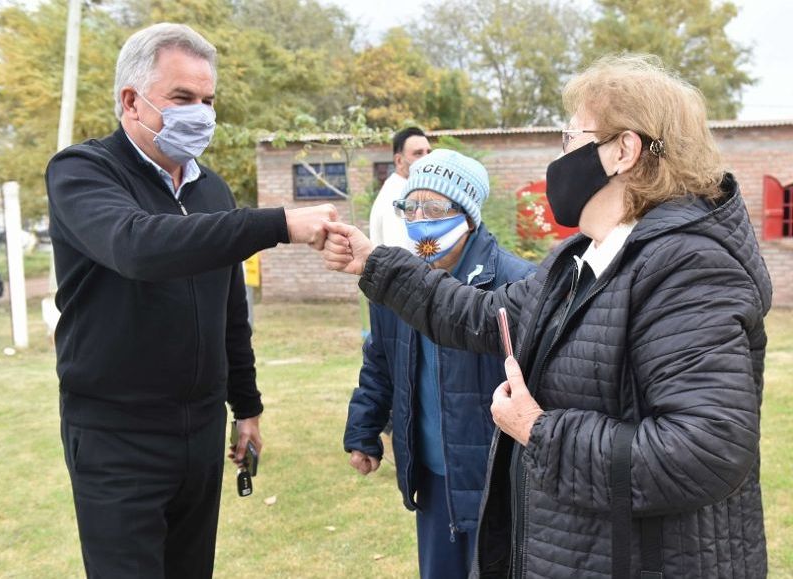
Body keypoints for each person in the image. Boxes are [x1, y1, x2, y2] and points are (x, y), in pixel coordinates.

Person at [323, 54, 771, 578]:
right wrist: (374, 263)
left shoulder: (689, 267)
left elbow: (706, 451)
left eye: (570, 137)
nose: (560, 157)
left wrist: (538, 430)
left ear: (623, 151)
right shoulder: (581, 259)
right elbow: (483, 315)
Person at [45, 23, 336, 579]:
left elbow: (230, 311)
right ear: (132, 101)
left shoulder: (211, 190)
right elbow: (137, 246)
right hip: (117, 436)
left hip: (199, 433)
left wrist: (245, 406)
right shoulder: (82, 173)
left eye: (208, 100)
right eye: (182, 98)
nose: (199, 114)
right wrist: (277, 223)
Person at [344, 149, 535, 578]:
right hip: (431, 477)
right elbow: (380, 361)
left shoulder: (515, 283)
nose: (418, 220)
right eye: (409, 207)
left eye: (433, 209)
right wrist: (363, 430)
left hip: (495, 480)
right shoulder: (396, 284)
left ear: (467, 215)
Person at [369, 126, 431, 248]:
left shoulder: (407, 191)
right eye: (418, 153)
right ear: (399, 161)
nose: (427, 159)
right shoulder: (397, 197)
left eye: (428, 152)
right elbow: (400, 252)